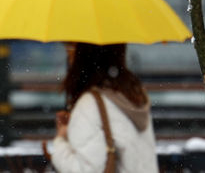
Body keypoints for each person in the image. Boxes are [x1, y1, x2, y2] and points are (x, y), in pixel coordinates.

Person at [49, 43, 158, 173]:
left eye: (74, 49)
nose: (70, 55)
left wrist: (60, 141)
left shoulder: (90, 105)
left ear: (83, 56)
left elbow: (84, 170)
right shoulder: (133, 96)